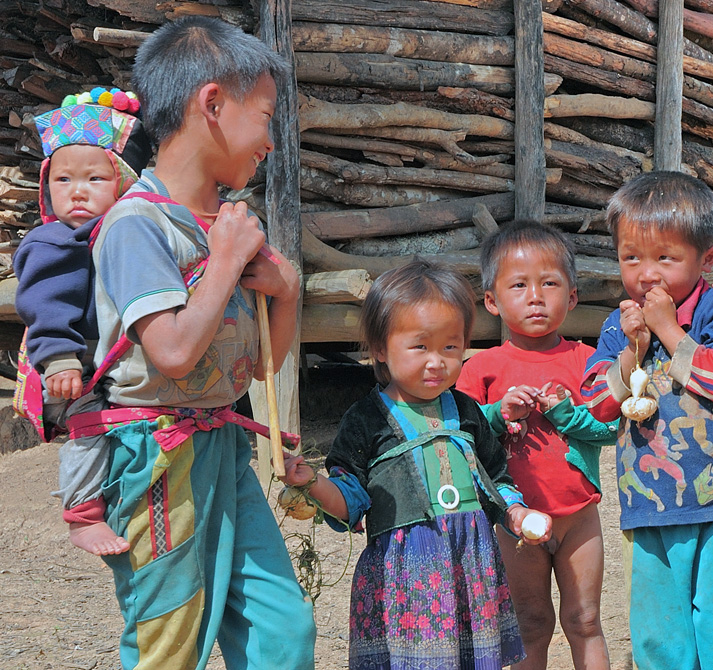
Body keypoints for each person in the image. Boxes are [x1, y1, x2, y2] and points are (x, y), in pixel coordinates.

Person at [85, 16, 315, 670]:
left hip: (224, 448)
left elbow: (262, 366)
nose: (271, 141)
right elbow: (175, 352)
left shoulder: (228, 224)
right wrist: (223, 264)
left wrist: (287, 289)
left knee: (284, 632)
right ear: (211, 104)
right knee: (169, 645)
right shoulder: (136, 226)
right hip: (157, 461)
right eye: (266, 116)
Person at [279, 260, 553, 669]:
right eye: (420, 346)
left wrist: (515, 513)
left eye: (450, 347)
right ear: (379, 348)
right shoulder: (366, 419)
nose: (436, 361)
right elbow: (350, 499)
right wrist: (313, 482)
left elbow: (494, 478)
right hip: (406, 571)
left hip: (470, 561)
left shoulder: (466, 411)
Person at [581, 171, 713, 669]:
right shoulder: (617, 325)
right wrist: (631, 352)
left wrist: (668, 330)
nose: (647, 273)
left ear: (707, 257)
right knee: (659, 636)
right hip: (648, 506)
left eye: (666, 257)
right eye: (631, 258)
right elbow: (596, 406)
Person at [455, 220, 616, 670]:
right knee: (529, 621)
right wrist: (499, 413)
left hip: (580, 517)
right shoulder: (482, 369)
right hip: (515, 520)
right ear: (491, 301)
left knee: (585, 619)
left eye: (550, 283)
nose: (536, 296)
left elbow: (611, 429)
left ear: (573, 295)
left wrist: (566, 413)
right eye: (519, 285)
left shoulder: (588, 361)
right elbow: (462, 437)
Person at [14, 88, 151, 556]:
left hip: (107, 358)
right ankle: (82, 515)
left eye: (95, 178)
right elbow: (45, 306)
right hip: (71, 360)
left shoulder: (124, 233)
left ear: (127, 184)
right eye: (63, 179)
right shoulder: (54, 241)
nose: (76, 191)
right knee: (89, 428)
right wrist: (59, 361)